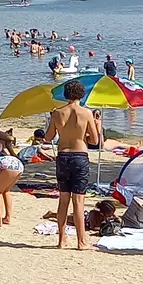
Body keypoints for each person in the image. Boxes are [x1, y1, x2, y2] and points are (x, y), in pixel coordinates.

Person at [46, 79, 103, 249]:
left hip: (63, 155)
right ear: (81, 94)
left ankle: (62, 240)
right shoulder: (86, 113)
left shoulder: (57, 113)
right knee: (79, 201)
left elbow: (48, 137)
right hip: (80, 155)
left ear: (65, 95)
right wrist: (90, 129)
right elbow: (94, 140)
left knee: (63, 199)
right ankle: (81, 241)